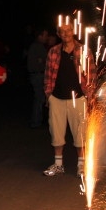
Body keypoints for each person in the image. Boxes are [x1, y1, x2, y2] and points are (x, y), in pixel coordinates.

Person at [43, 20, 97, 178]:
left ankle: (81, 166)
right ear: (58, 34)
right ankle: (58, 164)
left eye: (68, 30)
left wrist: (90, 96)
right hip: (57, 98)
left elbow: (92, 75)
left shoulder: (84, 50)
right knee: (56, 133)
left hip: (78, 99)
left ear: (74, 31)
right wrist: (49, 95)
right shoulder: (53, 51)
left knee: (80, 133)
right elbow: (47, 75)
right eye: (62, 31)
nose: (65, 33)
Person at [27, 27, 50, 128]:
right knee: (39, 99)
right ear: (40, 36)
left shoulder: (38, 46)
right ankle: (36, 121)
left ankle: (37, 120)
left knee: (39, 98)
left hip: (37, 75)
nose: (47, 37)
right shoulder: (37, 46)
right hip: (38, 75)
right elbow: (45, 60)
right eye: (45, 35)